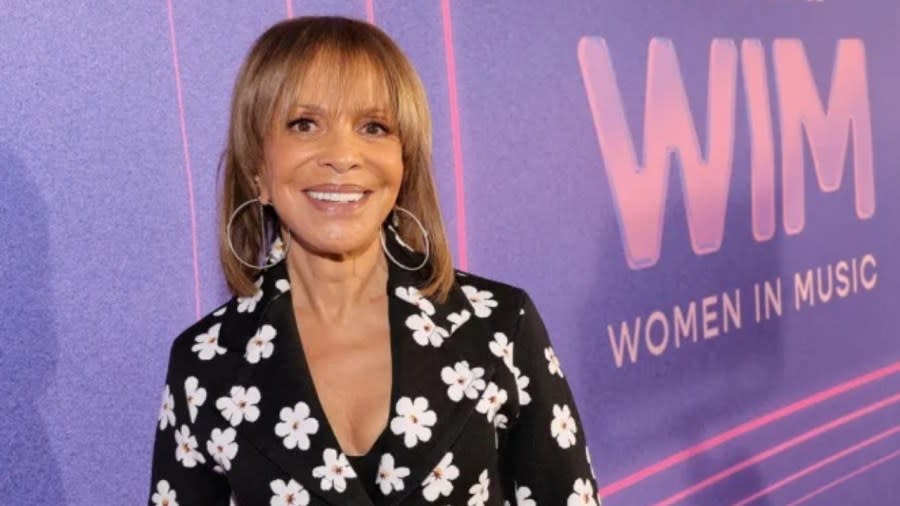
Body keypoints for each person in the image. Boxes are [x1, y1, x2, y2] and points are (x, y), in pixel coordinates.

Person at [148, 16, 599, 506]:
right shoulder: (206, 364)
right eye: (304, 124)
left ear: (403, 164)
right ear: (257, 167)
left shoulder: (497, 327)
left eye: (373, 127)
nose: (342, 155)